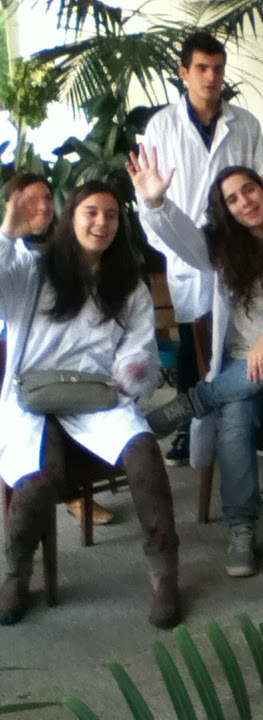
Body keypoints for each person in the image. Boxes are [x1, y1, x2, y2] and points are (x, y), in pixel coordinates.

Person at [0, 180, 180, 628]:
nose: (102, 222)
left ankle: (164, 575)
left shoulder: (128, 283)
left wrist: (132, 372)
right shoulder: (35, 269)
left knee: (145, 455)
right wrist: (7, 234)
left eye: (111, 214)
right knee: (39, 478)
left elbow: (140, 348)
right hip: (34, 399)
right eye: (91, 212)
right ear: (71, 217)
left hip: (98, 397)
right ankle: (15, 575)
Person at [128, 151, 263, 578]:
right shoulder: (220, 249)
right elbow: (179, 238)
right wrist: (156, 203)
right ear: (225, 210)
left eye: (250, 189)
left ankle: (196, 400)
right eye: (232, 198)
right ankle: (241, 526)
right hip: (240, 365)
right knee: (236, 414)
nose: (245, 201)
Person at [142, 30, 263, 467]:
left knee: (245, 334)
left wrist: (254, 237)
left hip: (238, 248)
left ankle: (255, 422)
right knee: (192, 343)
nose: (211, 77)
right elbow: (148, 196)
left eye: (218, 68)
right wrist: (173, 247)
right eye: (201, 68)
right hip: (187, 252)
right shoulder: (162, 126)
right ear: (184, 72)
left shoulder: (245, 124)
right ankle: (188, 428)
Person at [1, 175, 115, 527]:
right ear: (12, 205)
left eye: (48, 198)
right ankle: (59, 502)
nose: (43, 206)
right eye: (31, 199)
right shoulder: (13, 252)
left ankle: (72, 492)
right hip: (23, 374)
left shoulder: (68, 250)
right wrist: (8, 234)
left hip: (69, 375)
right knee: (36, 454)